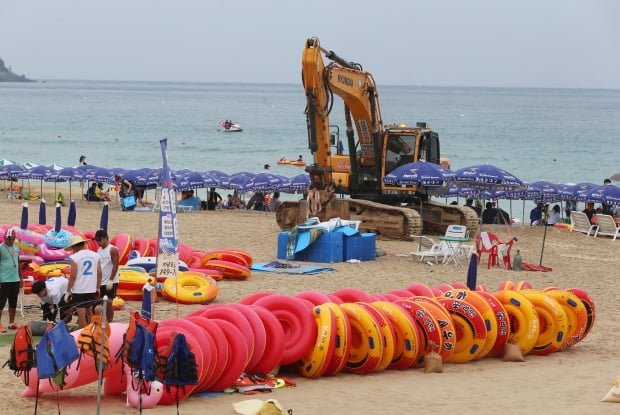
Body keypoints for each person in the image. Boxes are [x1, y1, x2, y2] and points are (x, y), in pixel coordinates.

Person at [65, 235, 102, 328]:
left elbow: (73, 276)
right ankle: (92, 331)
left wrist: (68, 291)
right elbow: (99, 272)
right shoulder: (95, 255)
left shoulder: (74, 257)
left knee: (81, 314)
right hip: (91, 288)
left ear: (75, 246)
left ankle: (83, 334)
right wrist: (98, 287)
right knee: (90, 312)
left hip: (79, 289)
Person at [0, 228, 23, 332]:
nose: (10, 241)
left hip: (15, 279)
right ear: (4, 238)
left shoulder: (16, 248)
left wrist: (21, 278)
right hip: (4, 280)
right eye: (8, 239)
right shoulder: (1, 248)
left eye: (12, 239)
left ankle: (11, 323)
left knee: (13, 303)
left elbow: (18, 264)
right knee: (1, 303)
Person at [94, 229, 119, 301]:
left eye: (99, 239)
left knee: (108, 303)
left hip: (110, 281)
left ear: (105, 238)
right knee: (101, 303)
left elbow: (115, 265)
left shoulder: (112, 249)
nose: (98, 242)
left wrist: (111, 280)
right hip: (101, 281)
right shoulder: (99, 250)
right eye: (96, 240)